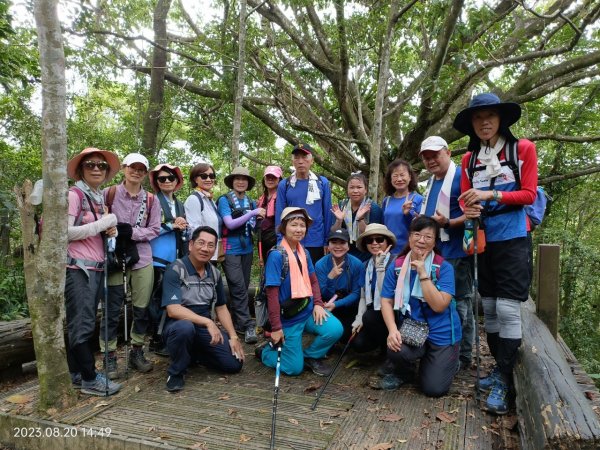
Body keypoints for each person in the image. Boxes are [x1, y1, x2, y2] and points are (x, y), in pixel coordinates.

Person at [455, 92, 538, 414]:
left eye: (490, 116)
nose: (484, 122)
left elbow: (529, 194)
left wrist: (490, 193)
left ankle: (505, 376)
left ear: (501, 118)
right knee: (488, 307)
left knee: (507, 309)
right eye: (478, 117)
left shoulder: (522, 149)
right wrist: (471, 205)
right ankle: (498, 370)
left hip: (514, 237)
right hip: (483, 239)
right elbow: (465, 199)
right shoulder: (468, 160)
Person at [379, 216, 461, 396]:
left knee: (434, 389)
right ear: (409, 237)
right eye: (417, 234)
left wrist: (424, 274)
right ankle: (405, 372)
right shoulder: (398, 266)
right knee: (396, 348)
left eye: (428, 237)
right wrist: (393, 330)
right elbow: (386, 300)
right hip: (414, 328)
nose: (421, 240)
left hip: (442, 333)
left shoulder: (443, 268)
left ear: (434, 242)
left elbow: (439, 306)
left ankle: (447, 360)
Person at [256, 207, 343, 377]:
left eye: (302, 225)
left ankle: (309, 356)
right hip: (289, 318)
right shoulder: (276, 256)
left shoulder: (304, 252)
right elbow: (272, 294)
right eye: (293, 225)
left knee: (335, 329)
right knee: (293, 369)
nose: (298, 229)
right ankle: (266, 352)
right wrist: (276, 328)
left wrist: (318, 304)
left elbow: (313, 281)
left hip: (307, 310)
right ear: (283, 227)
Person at [65, 147, 122, 396]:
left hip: (96, 268)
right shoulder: (74, 194)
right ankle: (90, 379)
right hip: (79, 269)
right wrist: (104, 223)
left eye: (101, 165)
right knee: (83, 325)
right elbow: (65, 232)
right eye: (90, 165)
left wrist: (111, 230)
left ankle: (76, 374)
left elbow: (95, 231)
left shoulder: (97, 197)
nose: (97, 168)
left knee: (83, 322)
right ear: (80, 170)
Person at [161, 226, 245, 392]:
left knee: (234, 364)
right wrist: (207, 321)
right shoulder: (175, 269)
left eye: (211, 245)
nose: (205, 248)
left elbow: (221, 307)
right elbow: (173, 310)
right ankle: (176, 372)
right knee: (185, 328)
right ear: (191, 244)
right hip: (177, 324)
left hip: (204, 327)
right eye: (201, 243)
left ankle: (194, 353)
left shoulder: (214, 274)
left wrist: (233, 336)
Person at [99, 152, 161, 378]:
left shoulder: (151, 200)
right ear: (124, 168)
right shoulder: (109, 193)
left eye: (141, 169)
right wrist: (109, 228)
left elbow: (154, 229)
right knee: (112, 308)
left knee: (141, 308)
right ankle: (109, 355)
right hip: (114, 257)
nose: (136, 172)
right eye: (132, 167)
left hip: (142, 258)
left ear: (145, 174)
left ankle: (136, 350)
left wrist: (129, 231)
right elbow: (97, 220)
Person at [419, 136, 474, 369]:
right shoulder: (432, 182)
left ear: (448, 153)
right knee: (439, 301)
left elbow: (474, 212)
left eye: (435, 155)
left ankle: (462, 355)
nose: (431, 161)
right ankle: (446, 349)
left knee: (460, 304)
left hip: (458, 252)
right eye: (427, 157)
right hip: (438, 252)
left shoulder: (461, 176)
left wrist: (449, 222)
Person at [217, 166, 265, 344]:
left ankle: (238, 322)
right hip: (230, 249)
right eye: (237, 178)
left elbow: (251, 227)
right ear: (232, 181)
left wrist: (257, 219)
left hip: (247, 249)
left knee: (243, 288)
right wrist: (253, 213)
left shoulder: (251, 202)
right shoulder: (224, 200)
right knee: (237, 287)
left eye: (244, 179)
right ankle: (247, 325)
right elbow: (229, 224)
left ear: (248, 183)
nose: (241, 181)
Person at [148, 163, 189, 356]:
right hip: (157, 257)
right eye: (161, 179)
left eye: (170, 178)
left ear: (177, 181)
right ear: (156, 182)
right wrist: (172, 225)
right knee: (156, 300)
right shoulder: (152, 201)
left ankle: (167, 337)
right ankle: (155, 339)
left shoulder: (179, 204)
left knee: (171, 300)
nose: (166, 181)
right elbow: (150, 228)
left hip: (176, 257)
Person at [275, 143, 333, 264]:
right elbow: (279, 214)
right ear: (293, 162)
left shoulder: (322, 182)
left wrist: (327, 241)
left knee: (314, 278)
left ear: (311, 160)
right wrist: (280, 240)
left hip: (316, 240)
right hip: (291, 240)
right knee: (293, 278)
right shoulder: (285, 184)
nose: (301, 161)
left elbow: (327, 213)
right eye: (297, 157)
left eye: (304, 157)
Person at [351, 224, 397, 356]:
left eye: (379, 239)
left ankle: (389, 351)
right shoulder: (366, 265)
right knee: (358, 343)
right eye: (369, 240)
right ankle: (382, 343)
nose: (374, 243)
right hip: (376, 312)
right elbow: (363, 296)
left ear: (388, 242)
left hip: (395, 313)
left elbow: (388, 297)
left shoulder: (395, 263)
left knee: (370, 317)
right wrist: (359, 318)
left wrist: (381, 268)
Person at [315, 229, 364, 343]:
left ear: (348, 246)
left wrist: (337, 304)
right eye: (334, 242)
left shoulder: (357, 264)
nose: (338, 246)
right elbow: (323, 293)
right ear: (328, 245)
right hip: (328, 305)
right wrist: (331, 278)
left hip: (348, 305)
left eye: (342, 243)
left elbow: (356, 293)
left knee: (348, 337)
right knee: (333, 333)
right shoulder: (320, 265)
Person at [330, 172, 383, 262]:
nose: (355, 191)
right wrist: (339, 220)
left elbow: (372, 236)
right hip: (344, 252)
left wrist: (360, 219)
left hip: (366, 254)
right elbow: (334, 232)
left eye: (359, 187)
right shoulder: (342, 206)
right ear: (347, 190)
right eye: (352, 187)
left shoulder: (373, 208)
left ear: (366, 189)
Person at [381, 159, 423, 253]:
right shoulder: (386, 201)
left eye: (402, 175)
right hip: (388, 251)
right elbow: (383, 227)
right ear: (390, 179)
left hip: (410, 251)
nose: (399, 179)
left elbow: (422, 228)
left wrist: (408, 214)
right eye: (395, 176)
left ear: (410, 177)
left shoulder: (418, 199)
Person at [184, 163, 222, 262]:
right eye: (204, 176)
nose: (209, 179)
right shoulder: (194, 199)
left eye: (212, 176)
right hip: (201, 254)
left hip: (211, 254)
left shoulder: (210, 200)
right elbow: (194, 229)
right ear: (195, 179)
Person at [257, 165, 283, 262]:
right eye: (268, 177)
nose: (270, 180)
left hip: (276, 237)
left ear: (279, 179)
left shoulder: (282, 197)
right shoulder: (262, 198)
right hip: (262, 238)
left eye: (274, 177)